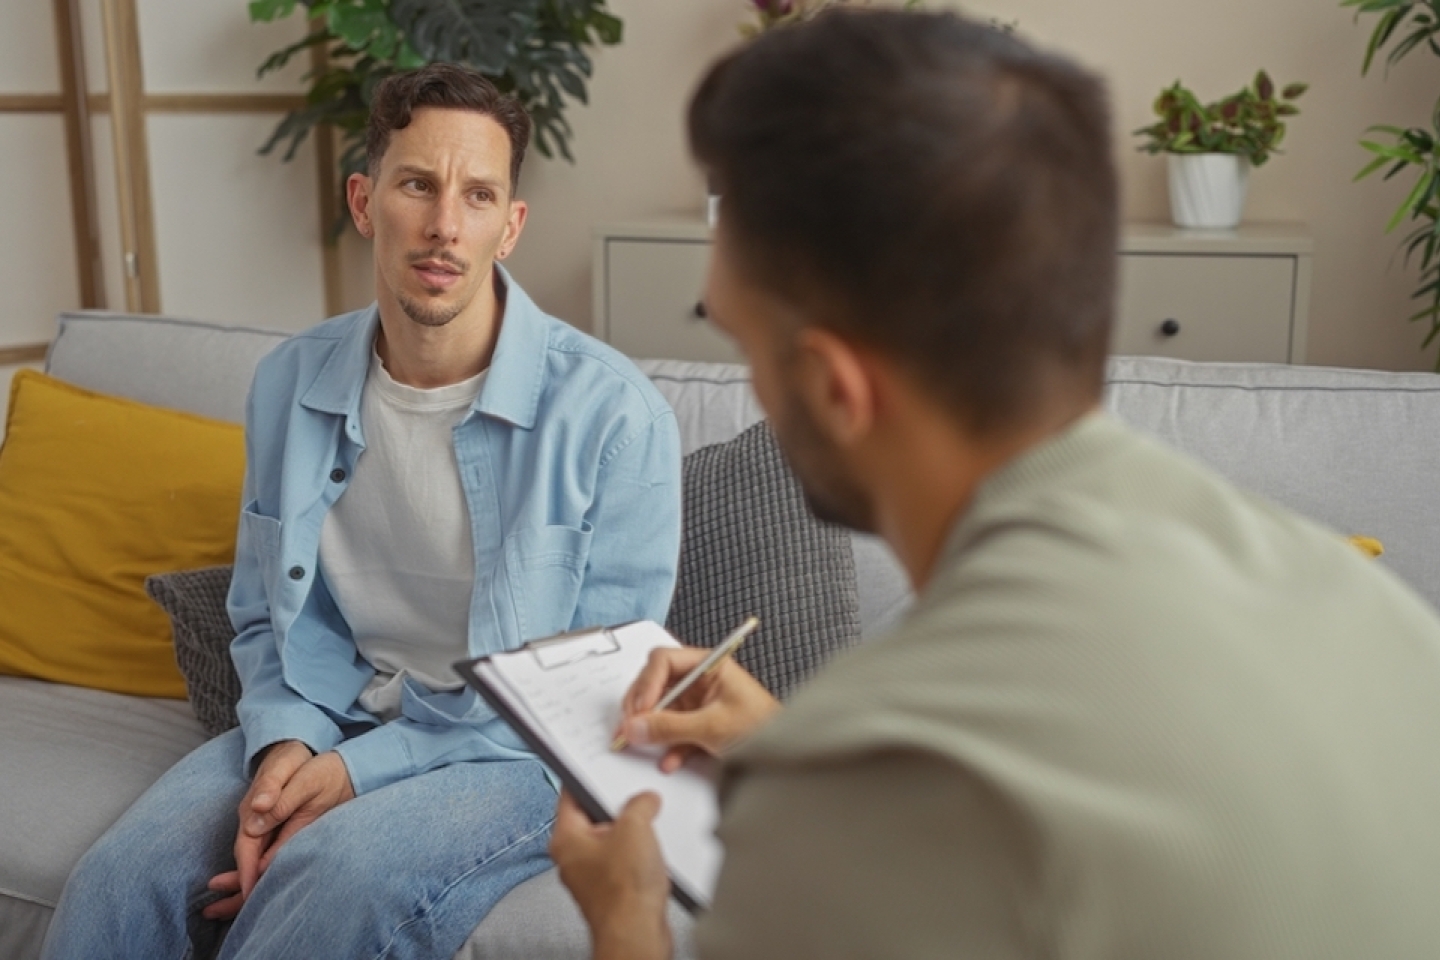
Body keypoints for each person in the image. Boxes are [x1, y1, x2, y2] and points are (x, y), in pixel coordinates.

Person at [549, 10, 1440, 960]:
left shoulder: (840, 810)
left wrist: (625, 920)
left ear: (835, 390)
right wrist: (785, 737)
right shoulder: (1372, 612)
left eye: (746, 344)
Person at [42, 63, 682, 960]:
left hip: (518, 756)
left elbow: (585, 700)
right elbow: (266, 614)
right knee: (122, 879)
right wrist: (284, 752)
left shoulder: (616, 417)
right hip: (335, 713)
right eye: (416, 184)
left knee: (332, 876)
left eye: (478, 194)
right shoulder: (289, 383)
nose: (443, 226)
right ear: (364, 199)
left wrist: (353, 776)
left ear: (511, 227)